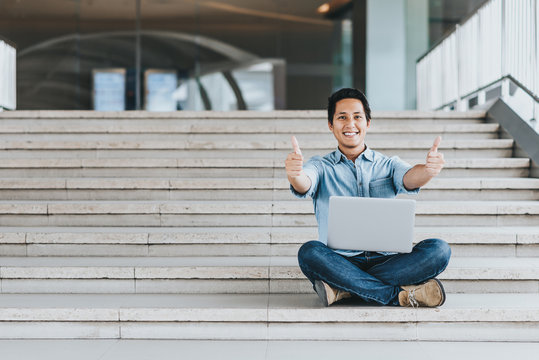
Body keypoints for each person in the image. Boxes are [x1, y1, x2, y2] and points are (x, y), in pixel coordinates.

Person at [285, 88, 451, 307]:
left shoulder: (388, 164)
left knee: (439, 250)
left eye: (357, 117)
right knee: (309, 252)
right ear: (331, 125)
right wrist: (295, 175)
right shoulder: (320, 166)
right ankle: (396, 295)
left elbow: (410, 178)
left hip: (388, 260)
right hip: (339, 260)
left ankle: (343, 289)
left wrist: (428, 171)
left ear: (368, 123)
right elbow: (305, 182)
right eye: (342, 117)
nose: (350, 124)